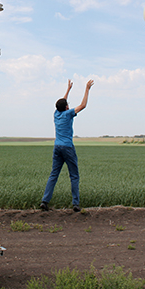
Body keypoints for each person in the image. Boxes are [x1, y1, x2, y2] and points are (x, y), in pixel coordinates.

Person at [40, 79, 94, 212]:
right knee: (74, 175)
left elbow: (61, 103)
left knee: (54, 174)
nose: (69, 106)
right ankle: (76, 203)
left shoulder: (56, 114)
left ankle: (44, 201)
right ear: (66, 108)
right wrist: (87, 89)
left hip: (57, 147)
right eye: (67, 105)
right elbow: (83, 105)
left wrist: (68, 90)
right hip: (68, 147)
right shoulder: (68, 114)